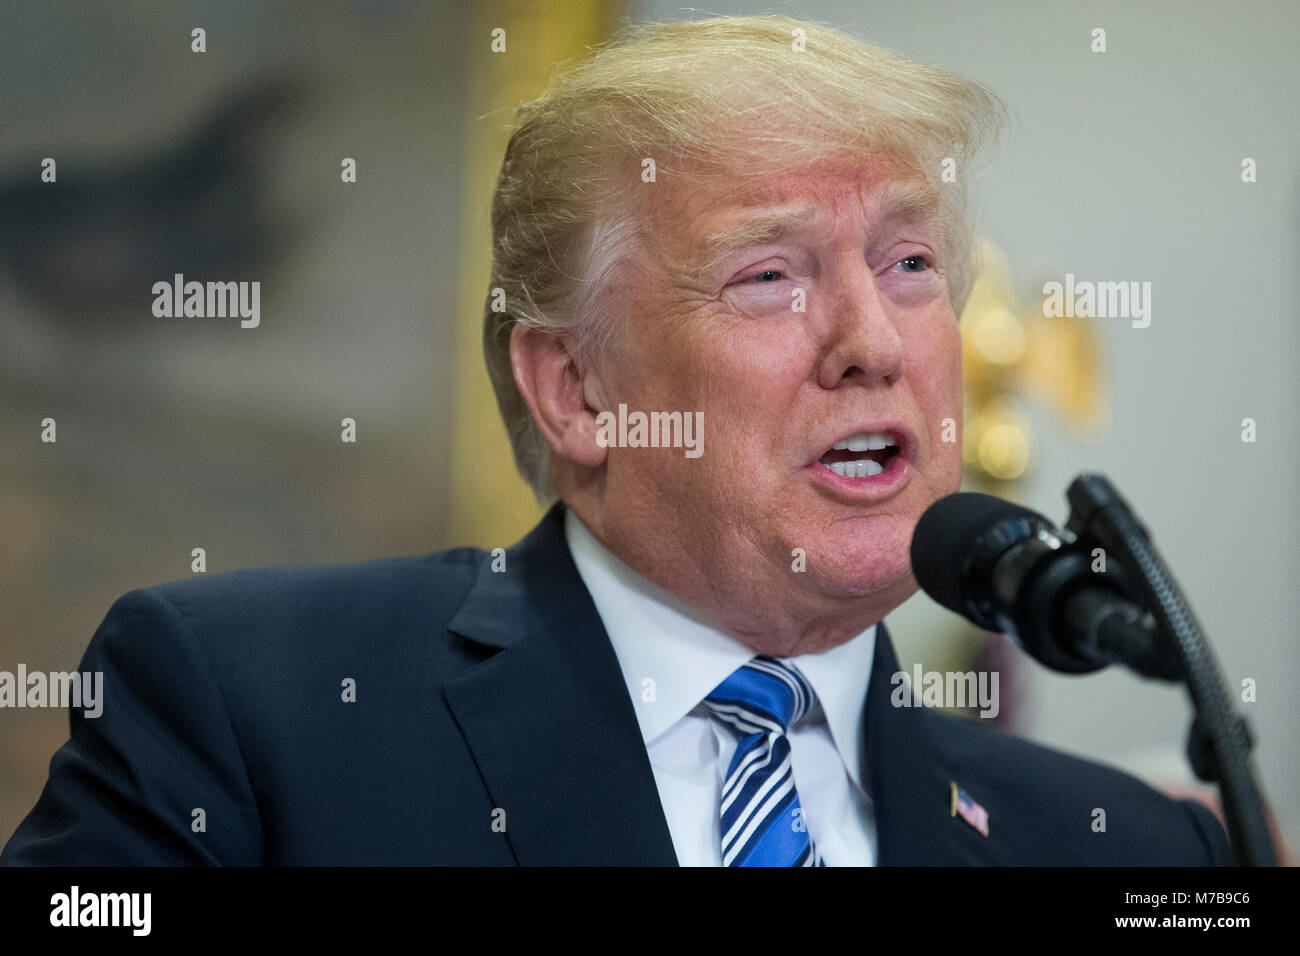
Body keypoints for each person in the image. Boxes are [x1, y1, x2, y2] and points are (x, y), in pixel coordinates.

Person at [1, 15, 1231, 866]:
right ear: (576, 389)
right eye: (769, 275)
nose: (875, 339)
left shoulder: (1125, 842)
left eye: (910, 264)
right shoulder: (247, 707)